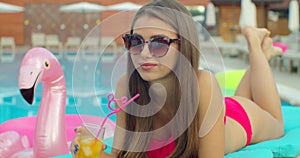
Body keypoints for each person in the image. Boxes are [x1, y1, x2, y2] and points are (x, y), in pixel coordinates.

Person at [71, 0, 284, 157]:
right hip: (214, 110)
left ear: (184, 46)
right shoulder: (126, 87)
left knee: (276, 123)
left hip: (241, 118)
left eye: (159, 43)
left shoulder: (204, 83)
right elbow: (118, 155)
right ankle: (262, 54)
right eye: (136, 41)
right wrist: (92, 149)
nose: (144, 53)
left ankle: (256, 47)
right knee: (240, 95)